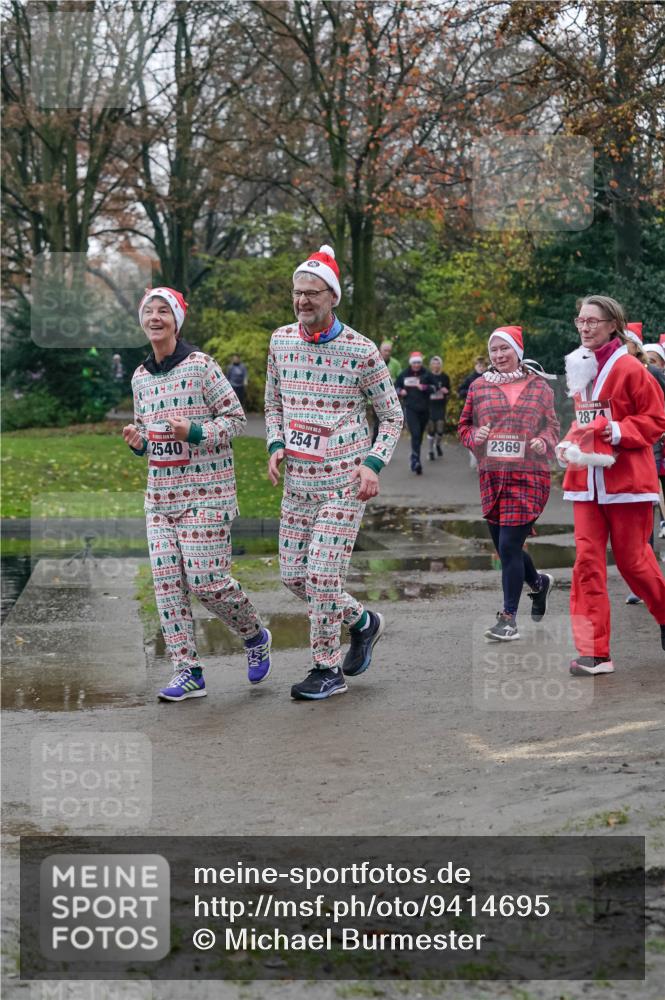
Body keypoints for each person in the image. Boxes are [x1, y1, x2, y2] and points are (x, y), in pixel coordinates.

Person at [265, 245, 403, 701]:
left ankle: (326, 669)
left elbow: (392, 416)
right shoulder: (280, 341)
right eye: (296, 293)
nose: (302, 301)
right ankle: (364, 623)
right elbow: (273, 403)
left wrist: (372, 463)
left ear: (333, 297)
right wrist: (276, 443)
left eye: (312, 293)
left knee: (323, 578)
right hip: (298, 484)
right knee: (294, 578)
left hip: (344, 482)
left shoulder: (361, 350)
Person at [122, 287, 272, 702]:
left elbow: (237, 418)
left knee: (208, 582)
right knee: (167, 584)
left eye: (163, 311)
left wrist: (197, 432)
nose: (155, 317)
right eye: (148, 311)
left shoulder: (200, 365)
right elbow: (150, 435)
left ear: (176, 320)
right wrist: (138, 442)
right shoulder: (139, 377)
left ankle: (255, 634)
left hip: (207, 494)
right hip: (160, 499)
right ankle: (187, 670)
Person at [556, 295, 665, 675]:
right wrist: (570, 442)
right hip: (586, 480)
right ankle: (595, 651)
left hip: (627, 480)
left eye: (592, 321)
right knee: (586, 561)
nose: (584, 327)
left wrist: (614, 430)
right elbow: (584, 418)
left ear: (612, 325)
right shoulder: (577, 365)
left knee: (634, 561)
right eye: (580, 320)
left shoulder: (633, 370)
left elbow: (655, 420)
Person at [458, 326, 559, 641]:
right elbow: (463, 426)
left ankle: (508, 618)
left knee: (509, 546)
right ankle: (538, 583)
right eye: (494, 350)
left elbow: (552, 425)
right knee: (506, 548)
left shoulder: (540, 388)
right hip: (493, 477)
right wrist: (476, 436)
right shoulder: (478, 387)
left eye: (505, 349)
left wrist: (544, 441)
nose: (499, 355)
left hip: (529, 477)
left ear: (518, 351)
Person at [395, 352, 436, 474]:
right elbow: (395, 387)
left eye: (418, 362)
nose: (417, 365)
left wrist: (424, 388)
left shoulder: (426, 374)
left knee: (419, 435)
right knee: (416, 434)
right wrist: (400, 391)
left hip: (424, 409)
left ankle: (414, 456)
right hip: (410, 408)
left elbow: (435, 387)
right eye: (414, 363)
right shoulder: (404, 374)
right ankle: (416, 460)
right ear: (411, 363)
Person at [371, 341, 402, 444]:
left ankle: (383, 445)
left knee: (388, 424)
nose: (387, 353)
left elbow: (400, 380)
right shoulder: (373, 362)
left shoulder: (396, 364)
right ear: (380, 350)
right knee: (378, 423)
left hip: (390, 399)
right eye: (385, 350)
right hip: (375, 398)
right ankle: (374, 444)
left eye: (389, 351)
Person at [427, 356, 450, 460]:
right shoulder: (427, 376)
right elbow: (422, 389)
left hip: (440, 405)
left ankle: (438, 444)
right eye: (434, 363)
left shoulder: (445, 377)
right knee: (431, 429)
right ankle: (430, 450)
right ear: (431, 365)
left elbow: (449, 390)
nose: (436, 365)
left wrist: (446, 391)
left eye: (438, 363)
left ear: (440, 365)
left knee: (440, 429)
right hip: (429, 406)